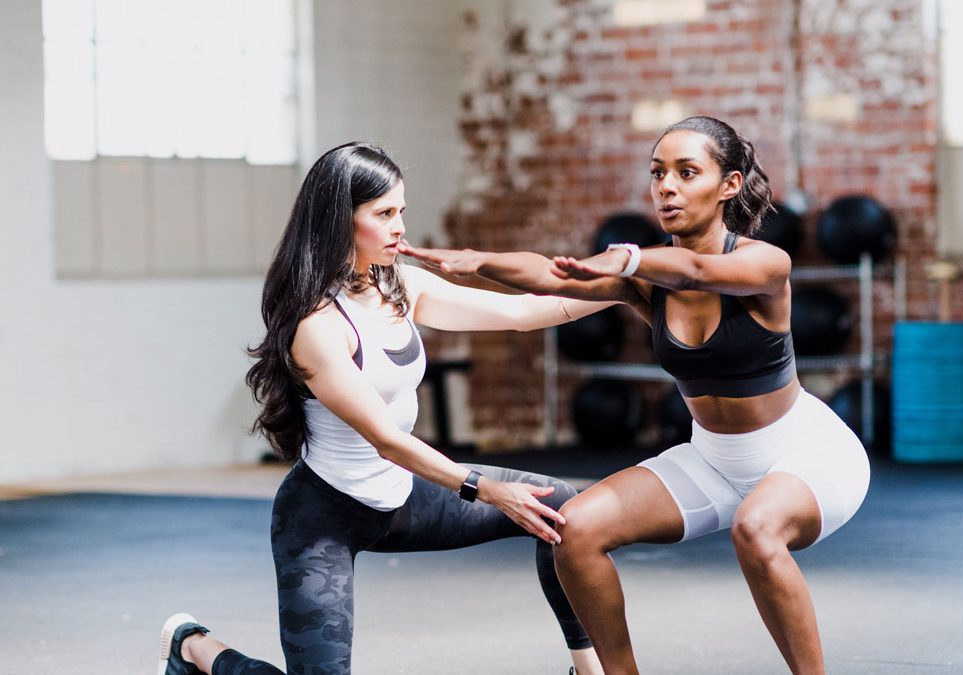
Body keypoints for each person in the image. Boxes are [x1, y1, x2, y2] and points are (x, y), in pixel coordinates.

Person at [400, 116, 871, 675]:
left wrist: (624, 257)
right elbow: (550, 276)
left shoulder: (766, 263)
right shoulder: (643, 280)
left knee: (757, 527)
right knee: (574, 530)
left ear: (729, 184)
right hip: (713, 460)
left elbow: (696, 271)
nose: (666, 186)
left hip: (806, 455)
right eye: (657, 173)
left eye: (686, 172)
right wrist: (478, 260)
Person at [156, 142, 627, 675]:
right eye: (383, 214)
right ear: (340, 222)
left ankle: (589, 671)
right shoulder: (316, 326)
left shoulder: (401, 284)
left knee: (562, 509)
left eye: (401, 210)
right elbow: (387, 440)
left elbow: (524, 312)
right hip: (324, 516)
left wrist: (631, 286)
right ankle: (195, 649)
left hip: (404, 498)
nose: (400, 227)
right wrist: (488, 489)